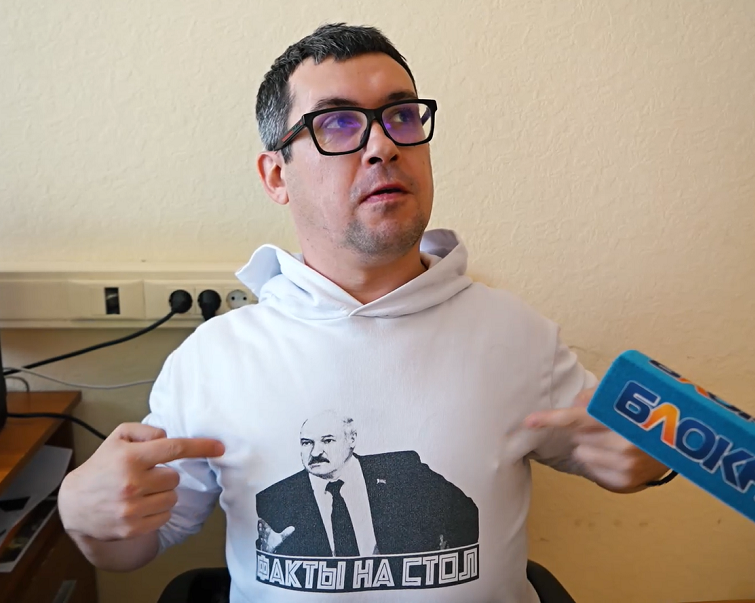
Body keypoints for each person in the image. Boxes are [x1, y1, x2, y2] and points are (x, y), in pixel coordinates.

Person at [57, 23, 671, 602]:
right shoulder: (214, 360)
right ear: (276, 176)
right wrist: (85, 518)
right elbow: (135, 544)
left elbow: (628, 449)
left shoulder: (517, 335)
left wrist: (654, 455)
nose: (383, 145)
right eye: (338, 124)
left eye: (402, 116)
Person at [255, 410, 479, 557]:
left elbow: (465, 513)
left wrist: (442, 558)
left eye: (327, 440)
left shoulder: (403, 471)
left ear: (351, 440)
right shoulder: (274, 499)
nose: (315, 452)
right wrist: (269, 554)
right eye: (307, 443)